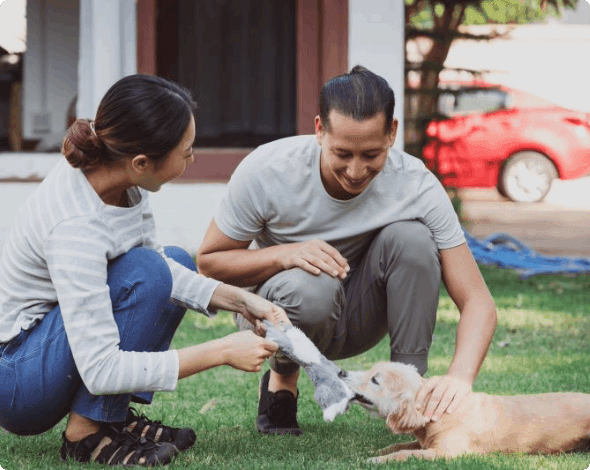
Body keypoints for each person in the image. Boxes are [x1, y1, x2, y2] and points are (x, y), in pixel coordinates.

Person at [0, 74, 287, 466]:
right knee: (149, 271)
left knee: (170, 264)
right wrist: (222, 350)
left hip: (48, 349)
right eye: (185, 151)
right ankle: (86, 435)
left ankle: (109, 419)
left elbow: (160, 268)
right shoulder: (74, 226)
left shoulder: (124, 182)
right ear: (141, 162)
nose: (191, 159)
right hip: (19, 379)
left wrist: (240, 300)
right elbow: (100, 368)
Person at [196, 65, 498, 436]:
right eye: (342, 153)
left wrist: (459, 378)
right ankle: (283, 378)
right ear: (320, 130)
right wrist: (284, 254)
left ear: (392, 133)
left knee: (414, 240)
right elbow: (209, 263)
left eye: (371, 154)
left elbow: (478, 301)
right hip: (278, 311)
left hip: (361, 312)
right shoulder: (268, 170)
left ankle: (407, 392)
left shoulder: (415, 184)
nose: (356, 171)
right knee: (312, 286)